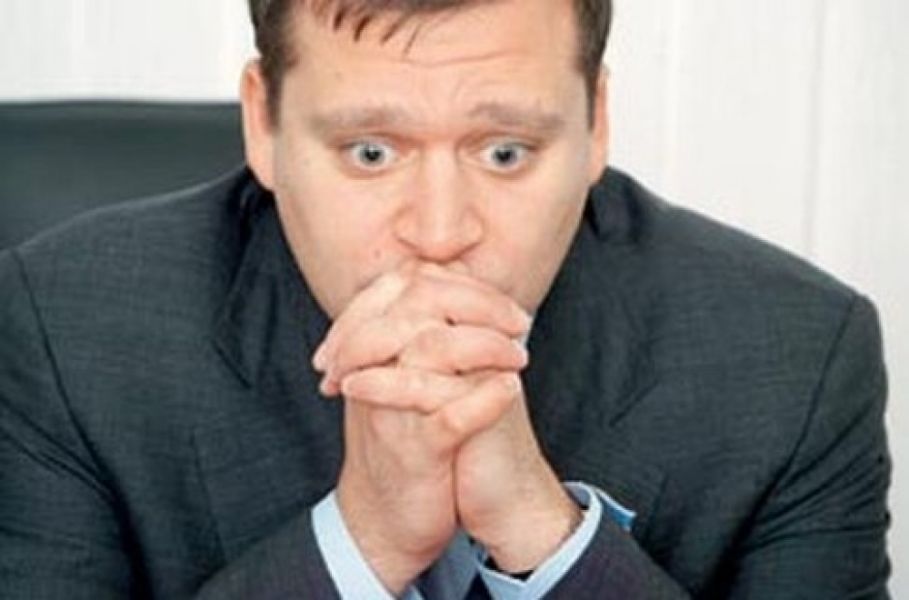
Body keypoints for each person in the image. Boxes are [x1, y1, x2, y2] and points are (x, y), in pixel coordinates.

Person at [0, 0, 891, 598]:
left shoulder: (796, 357)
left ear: (596, 125)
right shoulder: (65, 329)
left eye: (504, 152)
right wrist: (366, 538)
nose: (438, 233)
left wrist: (542, 534)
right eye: (370, 153)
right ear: (262, 124)